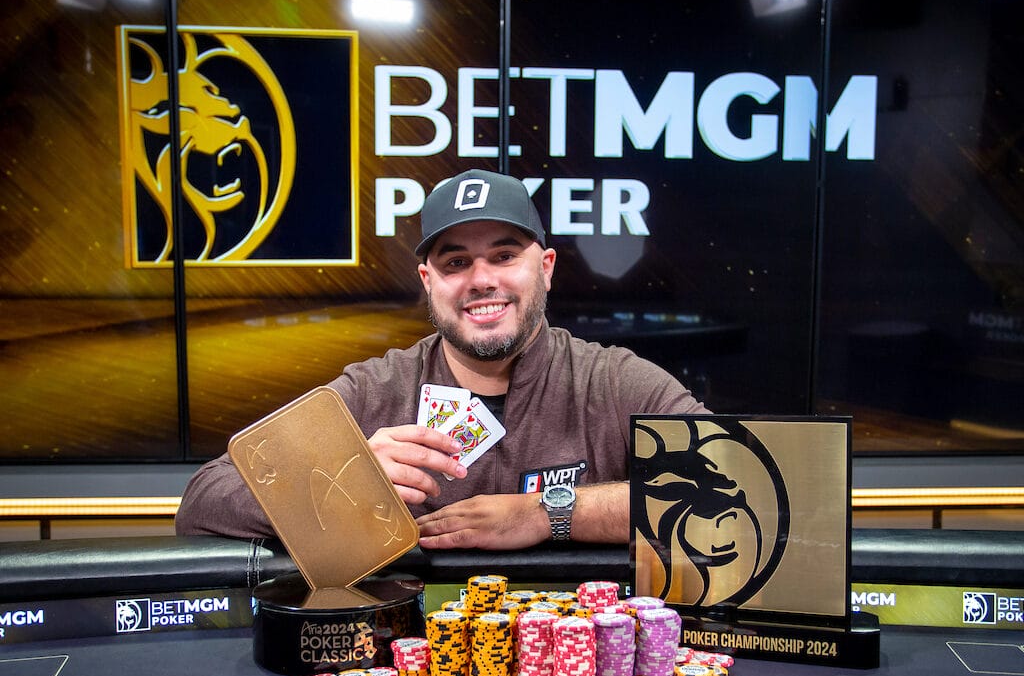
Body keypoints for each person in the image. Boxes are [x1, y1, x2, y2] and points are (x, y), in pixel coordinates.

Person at [175, 169, 709, 548]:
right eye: (456, 262)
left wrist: (550, 513)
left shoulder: (612, 381)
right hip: (412, 666)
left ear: (545, 267)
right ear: (429, 283)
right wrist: (340, 478)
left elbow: (735, 489)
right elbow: (203, 503)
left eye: (503, 255)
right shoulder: (374, 389)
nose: (481, 280)